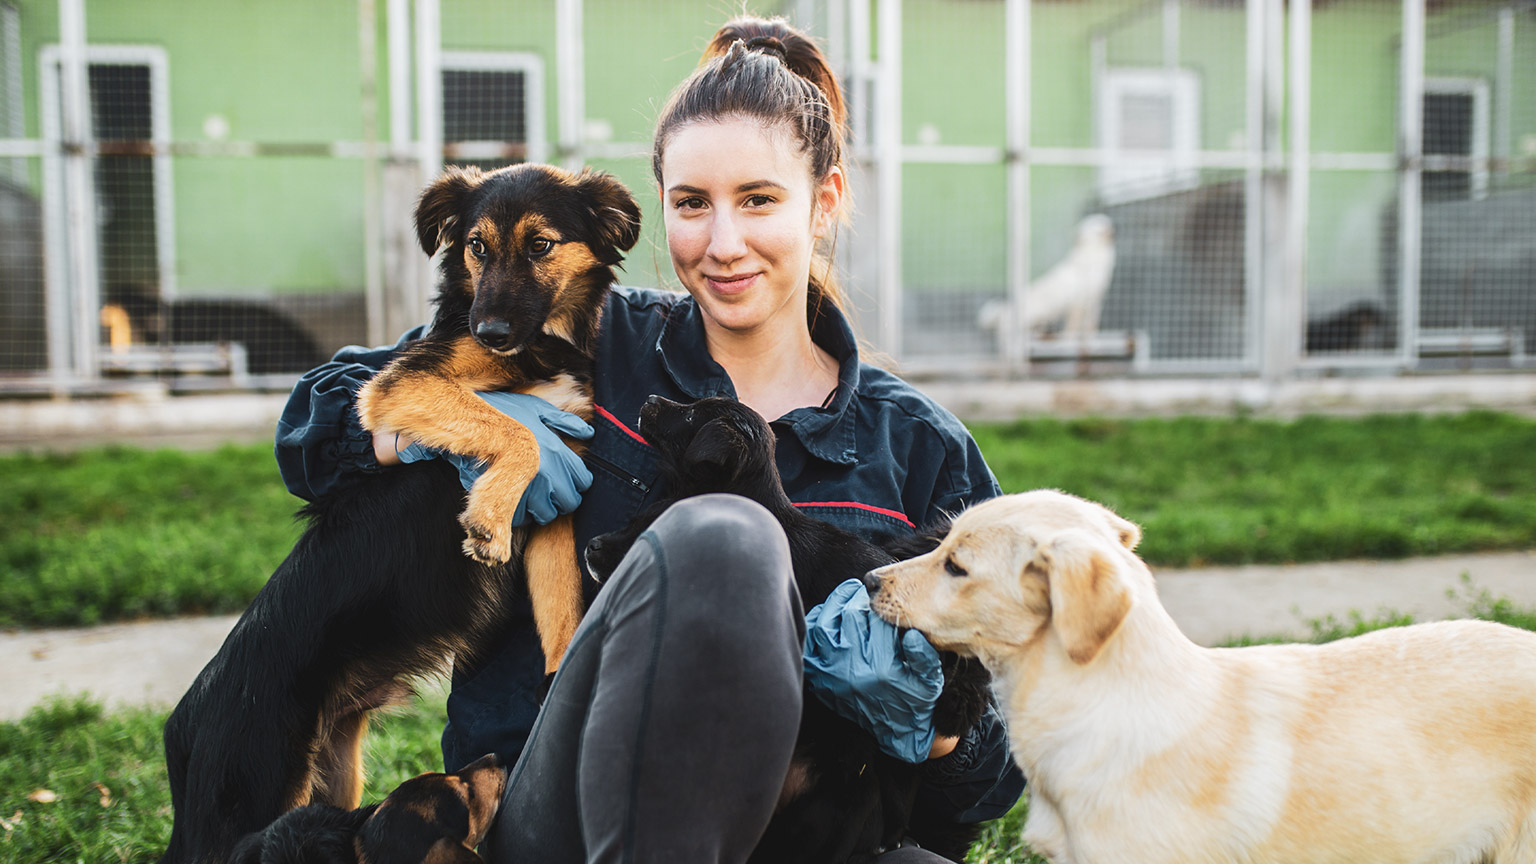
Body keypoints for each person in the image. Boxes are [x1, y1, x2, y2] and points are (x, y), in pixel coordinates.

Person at [274, 16, 1024, 863]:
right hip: (558, 812)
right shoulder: (580, 341)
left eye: (759, 200)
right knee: (728, 536)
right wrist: (467, 434)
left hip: (814, 834)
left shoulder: (919, 449)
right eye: (692, 203)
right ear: (657, 206)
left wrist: (937, 727)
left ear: (827, 202)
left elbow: (1004, 767)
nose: (723, 243)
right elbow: (316, 420)